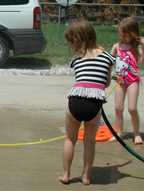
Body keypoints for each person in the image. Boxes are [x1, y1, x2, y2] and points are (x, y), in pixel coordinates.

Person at [58, 20, 115, 185]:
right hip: (94, 103)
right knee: (90, 142)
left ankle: (65, 174)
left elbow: (81, 80)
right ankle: (86, 176)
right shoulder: (107, 57)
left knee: (70, 139)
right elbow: (105, 83)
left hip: (75, 100)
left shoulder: (77, 58)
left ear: (78, 40)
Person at [108, 17, 144, 145]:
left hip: (132, 81)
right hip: (120, 82)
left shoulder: (136, 47)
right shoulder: (117, 46)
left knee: (132, 108)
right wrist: (106, 74)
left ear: (133, 33)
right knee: (118, 108)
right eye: (121, 34)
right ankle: (119, 132)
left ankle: (137, 133)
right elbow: (108, 61)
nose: (123, 37)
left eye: (126, 35)